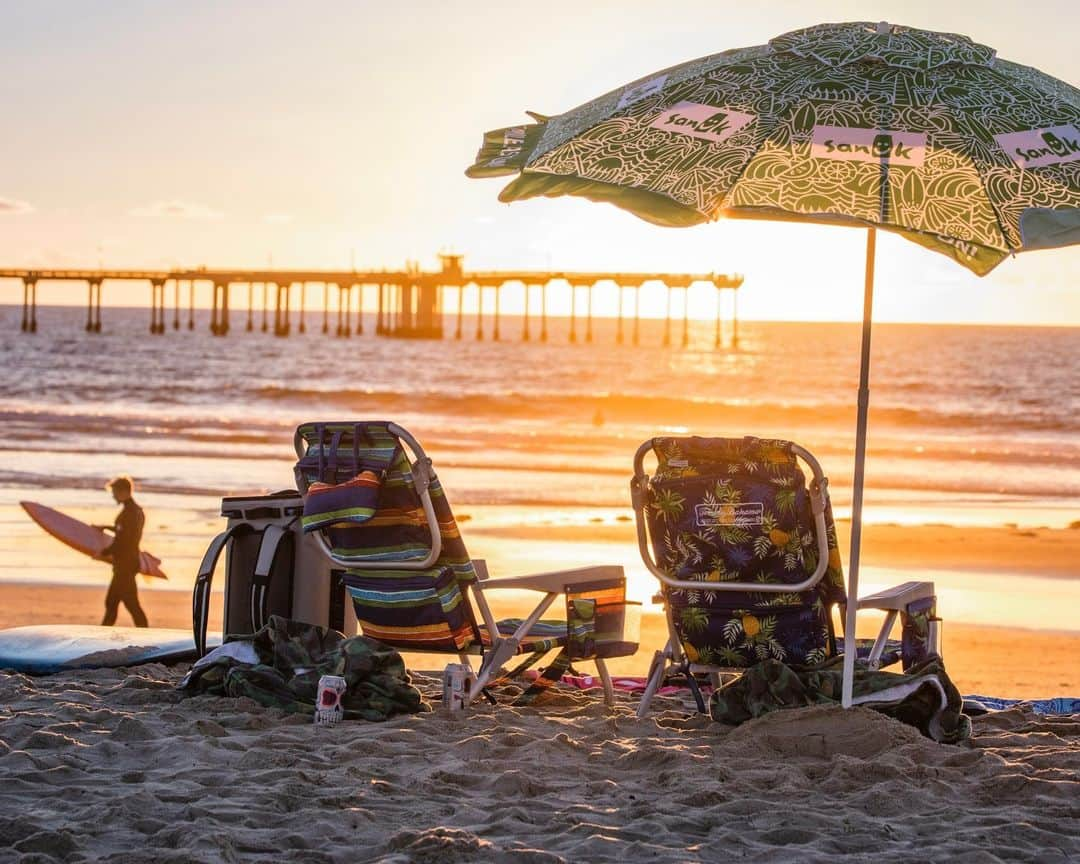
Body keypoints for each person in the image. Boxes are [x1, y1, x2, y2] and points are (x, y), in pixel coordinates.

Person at [98, 475, 149, 627]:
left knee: (123, 604)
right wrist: (107, 527)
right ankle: (104, 635)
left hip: (124, 566)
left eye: (114, 492)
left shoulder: (129, 513)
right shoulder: (136, 511)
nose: (113, 496)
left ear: (124, 491)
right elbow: (126, 533)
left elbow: (123, 541)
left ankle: (102, 636)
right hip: (129, 563)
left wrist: (103, 553)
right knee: (121, 603)